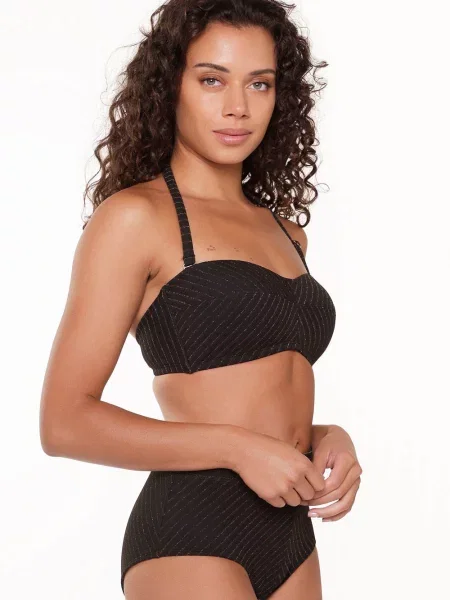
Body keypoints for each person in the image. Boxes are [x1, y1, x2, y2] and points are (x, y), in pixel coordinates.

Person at [39, 1, 362, 598]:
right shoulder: (136, 218)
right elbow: (64, 422)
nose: (238, 107)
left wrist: (324, 434)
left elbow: (256, 393)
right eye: (212, 80)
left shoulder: (287, 234)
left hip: (291, 529)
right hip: (192, 526)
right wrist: (237, 449)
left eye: (259, 84)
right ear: (171, 87)